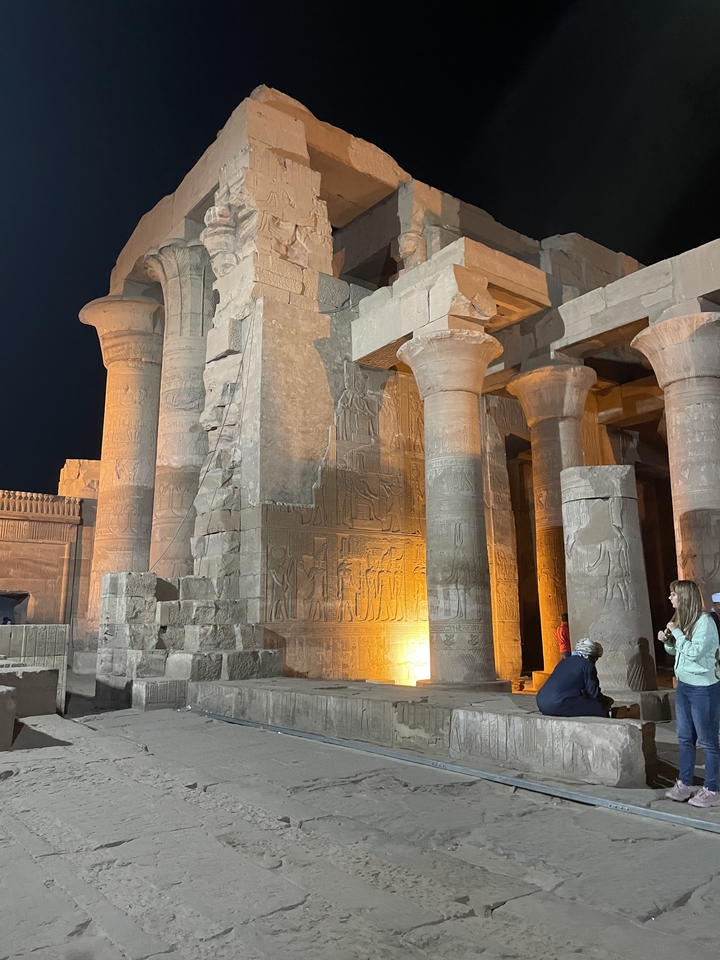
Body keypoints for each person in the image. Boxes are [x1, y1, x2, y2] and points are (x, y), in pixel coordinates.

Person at [660, 580, 720, 807]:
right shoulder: (682, 621)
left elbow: (694, 652)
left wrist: (677, 634)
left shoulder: (705, 622)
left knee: (708, 740)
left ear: (684, 597)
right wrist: (668, 641)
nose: (670, 598)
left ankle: (712, 789)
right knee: (685, 738)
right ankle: (684, 784)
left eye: (673, 594)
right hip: (684, 685)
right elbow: (679, 651)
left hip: (703, 688)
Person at [536, 638, 614, 718]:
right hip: (558, 704)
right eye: (595, 657)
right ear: (590, 656)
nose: (595, 660)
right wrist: (606, 701)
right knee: (599, 708)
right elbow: (593, 693)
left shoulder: (563, 662)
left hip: (541, 703)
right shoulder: (587, 665)